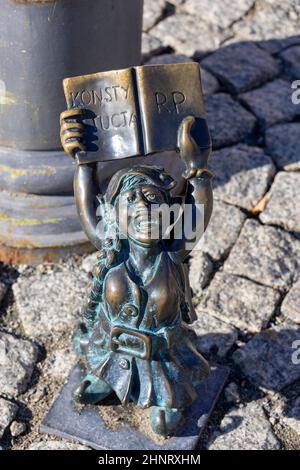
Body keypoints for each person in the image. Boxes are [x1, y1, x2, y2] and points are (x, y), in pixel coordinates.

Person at [60, 109, 213, 436]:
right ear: (114, 214)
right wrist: (84, 164)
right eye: (130, 199)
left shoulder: (173, 252)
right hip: (114, 345)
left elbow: (198, 213)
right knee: (106, 361)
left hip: (162, 355)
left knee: (167, 380)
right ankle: (107, 379)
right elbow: (86, 207)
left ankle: (168, 399)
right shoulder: (113, 249)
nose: (143, 207)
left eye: (151, 198)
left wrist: (198, 170)